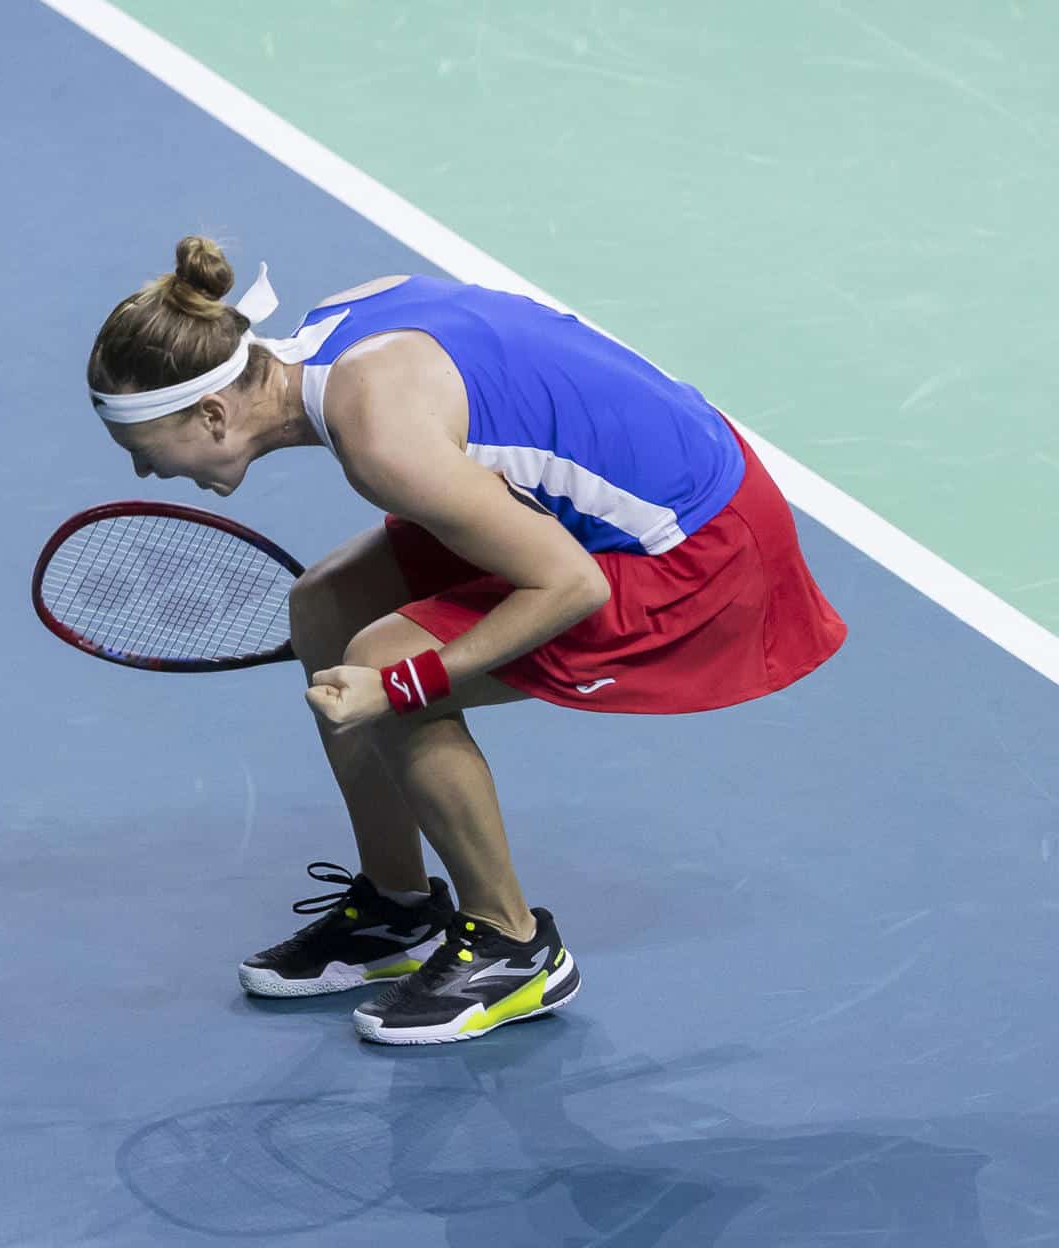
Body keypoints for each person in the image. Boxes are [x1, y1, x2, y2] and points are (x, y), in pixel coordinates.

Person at [85, 236, 846, 1045]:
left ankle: (514, 945)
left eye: (143, 452)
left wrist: (404, 686)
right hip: (652, 486)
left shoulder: (378, 435)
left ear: (210, 412)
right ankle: (397, 909)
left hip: (697, 547)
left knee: (382, 658)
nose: (144, 475)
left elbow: (571, 585)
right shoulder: (347, 325)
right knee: (325, 607)